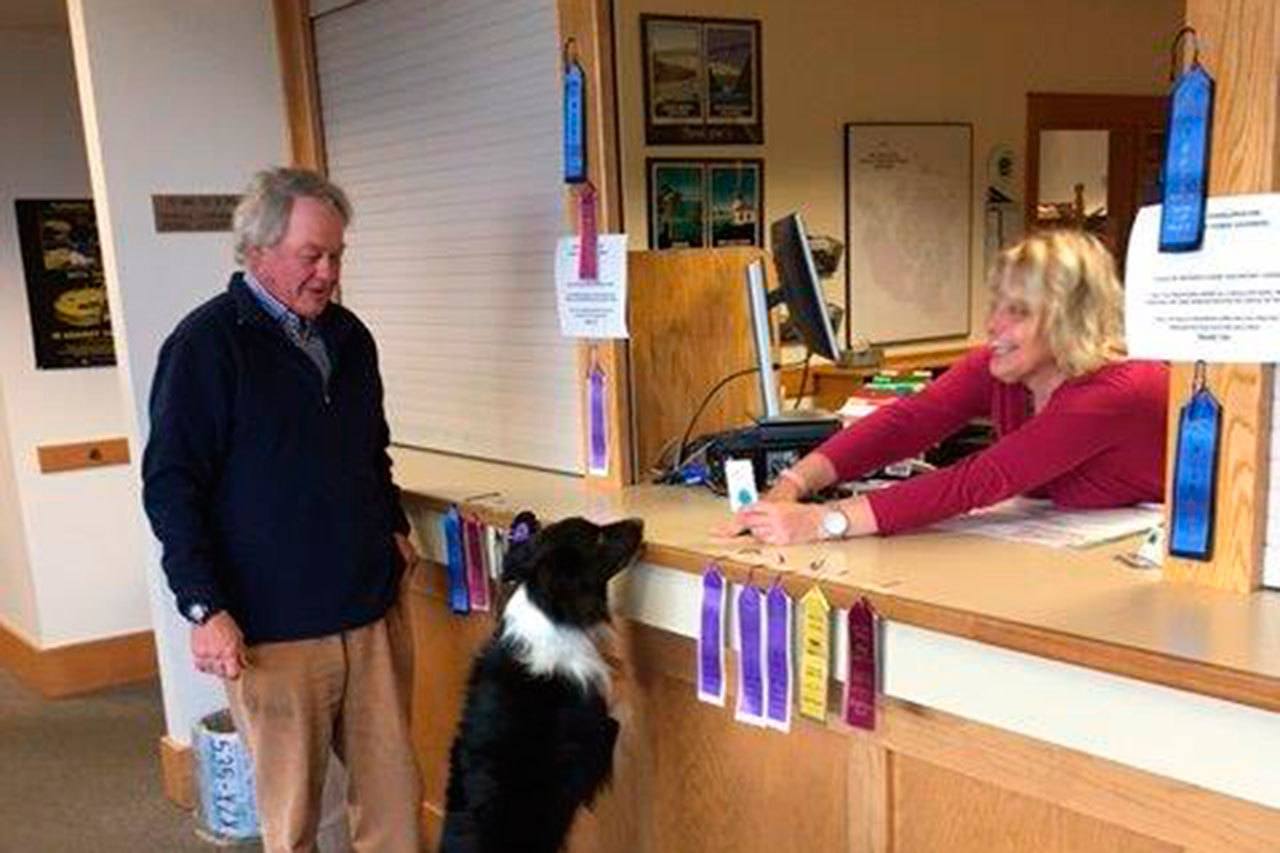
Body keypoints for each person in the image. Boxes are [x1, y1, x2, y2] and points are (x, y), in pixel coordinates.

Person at [142, 167, 422, 852]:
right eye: (312, 255)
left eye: (337, 255)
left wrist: (391, 523)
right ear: (257, 251)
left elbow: (369, 448)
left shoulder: (350, 338)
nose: (328, 272)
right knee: (295, 817)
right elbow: (171, 485)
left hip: (368, 611)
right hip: (274, 631)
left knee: (394, 805)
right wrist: (204, 606)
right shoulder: (206, 346)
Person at [724, 229, 1169, 545]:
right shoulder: (1005, 369)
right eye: (996, 306)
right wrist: (792, 484)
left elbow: (977, 481)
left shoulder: (1113, 393)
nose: (993, 324)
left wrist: (822, 522)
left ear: (1070, 322)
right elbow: (907, 422)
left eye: (1017, 311)